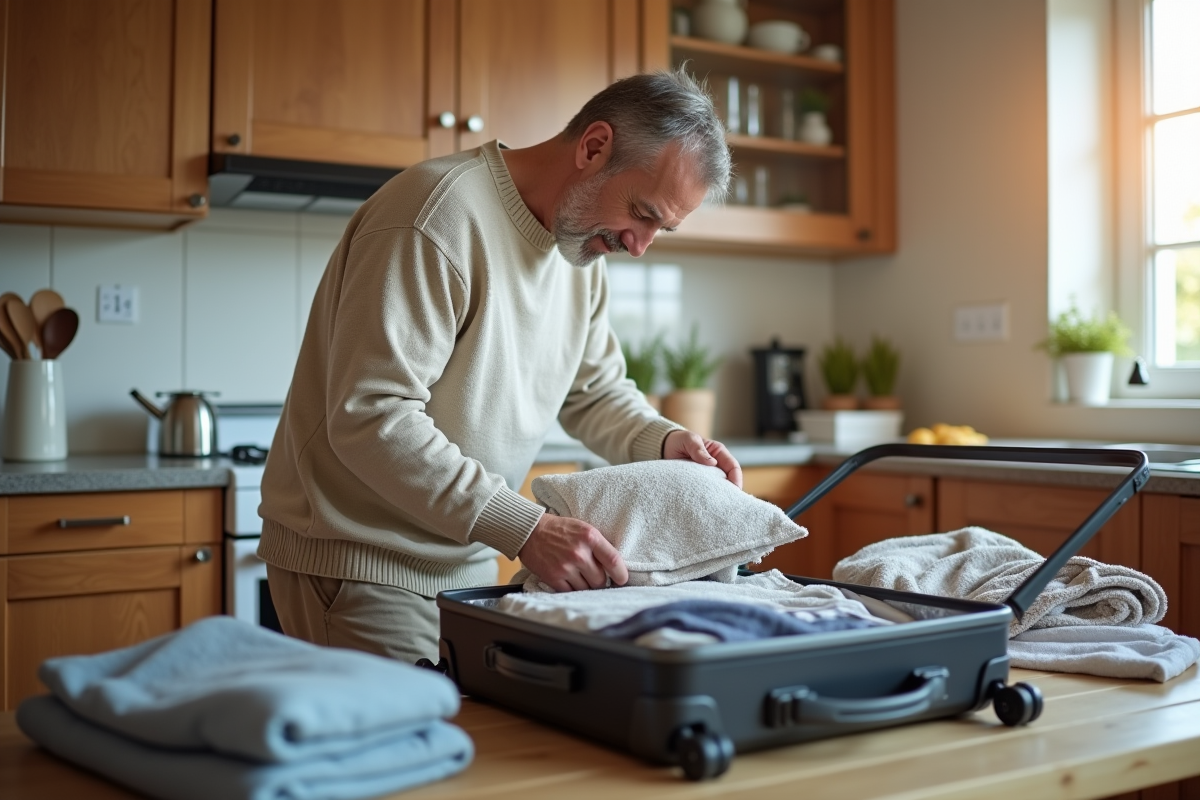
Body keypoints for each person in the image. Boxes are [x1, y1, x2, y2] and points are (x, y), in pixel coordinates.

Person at [258, 68, 743, 664]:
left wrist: (668, 443)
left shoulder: (577, 252)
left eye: (660, 229)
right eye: (641, 213)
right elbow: (371, 416)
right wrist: (528, 528)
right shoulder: (436, 215)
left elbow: (593, 392)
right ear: (594, 148)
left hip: (466, 563)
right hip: (364, 567)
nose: (639, 245)